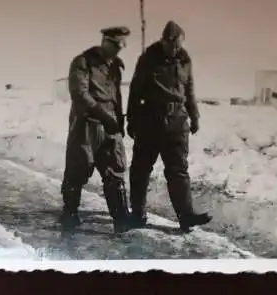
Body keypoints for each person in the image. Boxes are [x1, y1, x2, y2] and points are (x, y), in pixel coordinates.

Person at [126, 20, 212, 233]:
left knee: (178, 171)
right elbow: (135, 91)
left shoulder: (185, 60)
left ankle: (186, 216)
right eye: (171, 44)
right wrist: (132, 121)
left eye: (178, 44)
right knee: (141, 170)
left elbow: (189, 90)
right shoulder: (148, 58)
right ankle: (137, 213)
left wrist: (195, 116)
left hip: (176, 122)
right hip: (150, 121)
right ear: (163, 40)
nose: (174, 48)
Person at [60, 26, 132, 233]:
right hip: (87, 124)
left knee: (115, 169)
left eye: (121, 47)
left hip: (110, 125)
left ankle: (120, 218)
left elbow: (116, 96)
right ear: (105, 41)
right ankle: (70, 212)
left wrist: (119, 122)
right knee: (79, 168)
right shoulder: (83, 62)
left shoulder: (116, 66)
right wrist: (103, 115)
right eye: (116, 46)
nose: (118, 51)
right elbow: (79, 93)